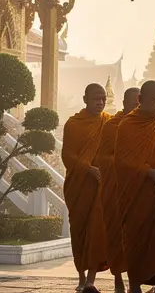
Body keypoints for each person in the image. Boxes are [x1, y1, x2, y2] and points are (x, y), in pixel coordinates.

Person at [114, 80, 155, 293]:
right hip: (137, 195)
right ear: (141, 100)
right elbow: (122, 160)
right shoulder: (128, 124)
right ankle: (134, 287)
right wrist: (148, 171)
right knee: (136, 243)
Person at [61, 83, 112, 292]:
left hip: (100, 186)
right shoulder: (73, 124)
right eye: (95, 99)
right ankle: (81, 277)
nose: (100, 103)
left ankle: (91, 280)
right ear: (85, 99)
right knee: (79, 230)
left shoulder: (108, 123)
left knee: (97, 231)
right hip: (79, 185)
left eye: (103, 99)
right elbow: (67, 156)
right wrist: (89, 168)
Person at [96, 87, 139, 293]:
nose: (136, 109)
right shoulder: (112, 125)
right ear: (123, 103)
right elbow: (102, 158)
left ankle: (135, 282)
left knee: (136, 237)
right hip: (115, 188)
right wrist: (125, 162)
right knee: (115, 235)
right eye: (133, 105)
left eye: (140, 105)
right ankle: (118, 280)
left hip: (138, 190)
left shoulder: (146, 126)